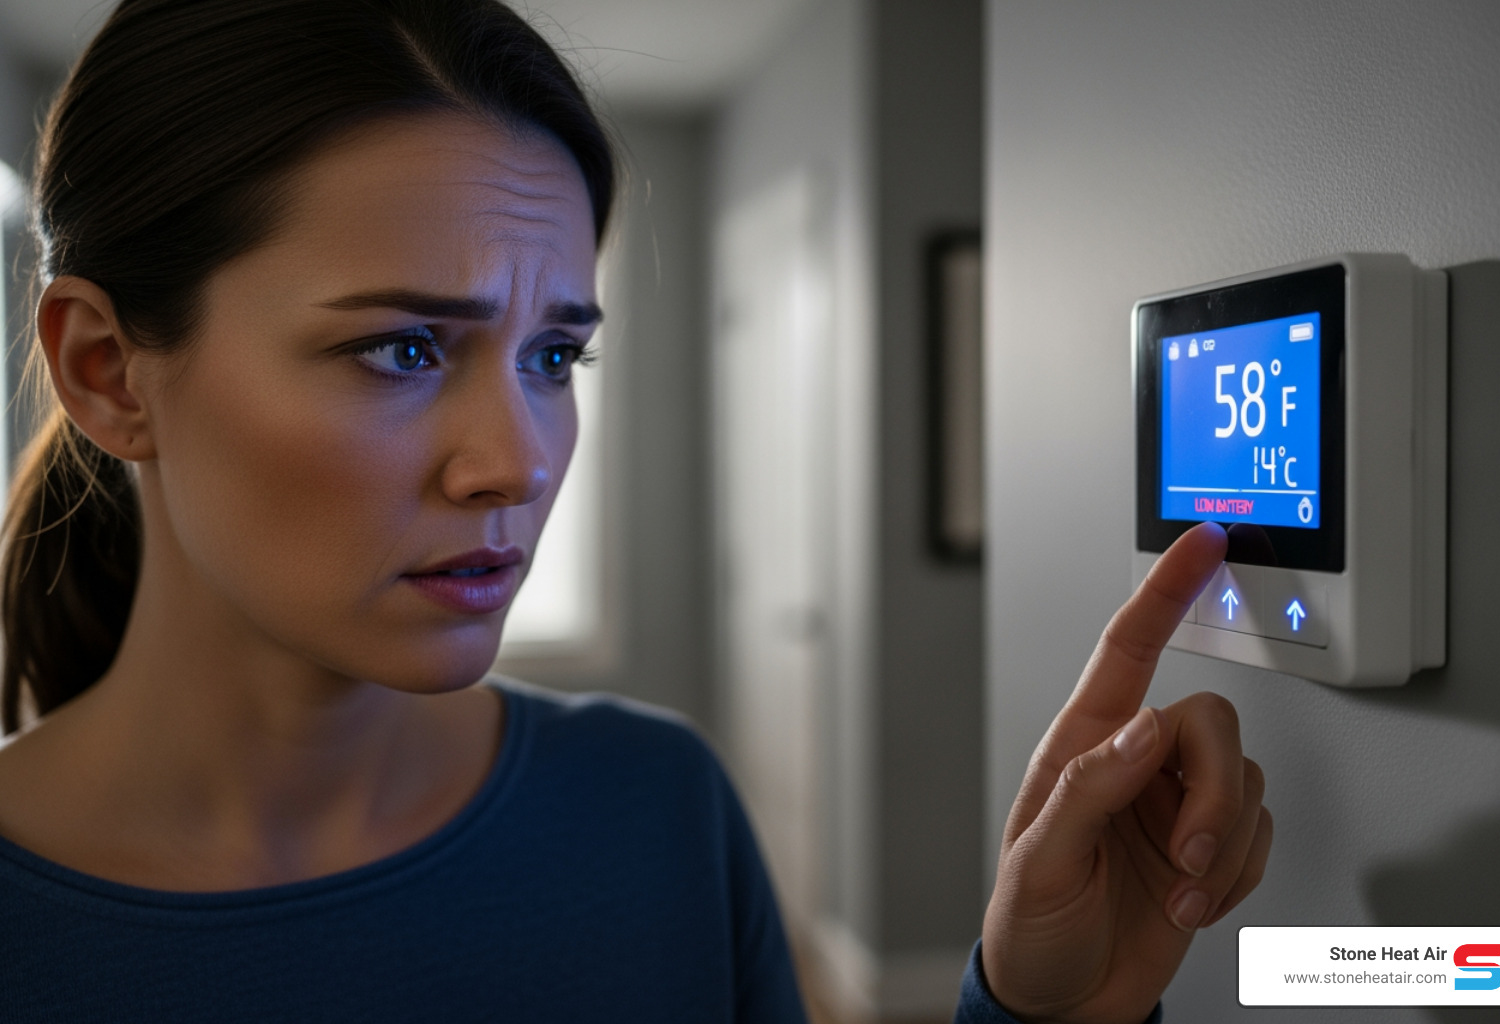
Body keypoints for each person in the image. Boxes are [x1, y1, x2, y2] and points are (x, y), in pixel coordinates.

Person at [0, 1, 1271, 1021]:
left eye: (556, 357)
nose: (517, 462)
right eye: (399, 349)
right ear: (109, 371)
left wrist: (1044, 1013)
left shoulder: (655, 806)